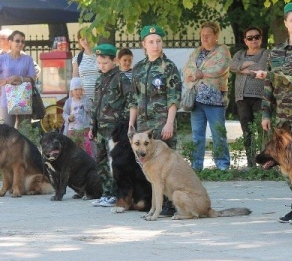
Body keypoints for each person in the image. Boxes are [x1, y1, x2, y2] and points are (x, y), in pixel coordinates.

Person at [128, 25, 182, 216]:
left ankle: (169, 204)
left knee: (166, 167)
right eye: (151, 42)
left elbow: (174, 98)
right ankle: (154, 204)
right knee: (149, 168)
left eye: (158, 41)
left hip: (162, 124)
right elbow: (133, 99)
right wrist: (131, 125)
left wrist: (169, 122)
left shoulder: (169, 67)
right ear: (144, 44)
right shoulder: (139, 68)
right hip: (143, 127)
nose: (155, 45)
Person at [258, 2, 292, 225]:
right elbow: (268, 87)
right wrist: (266, 114)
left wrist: (276, 77)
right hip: (284, 118)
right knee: (287, 162)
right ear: (285, 23)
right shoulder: (275, 52)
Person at [183, 21, 231, 171]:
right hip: (196, 100)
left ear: (216, 35)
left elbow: (220, 68)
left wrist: (200, 73)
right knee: (197, 135)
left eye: (208, 35)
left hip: (215, 100)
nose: (204, 38)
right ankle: (196, 167)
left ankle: (222, 166)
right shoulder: (196, 52)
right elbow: (187, 69)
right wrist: (194, 74)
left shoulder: (222, 51)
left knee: (218, 134)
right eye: (202, 35)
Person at [88, 44, 131, 207]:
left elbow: (130, 100)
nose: (101, 66)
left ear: (114, 60)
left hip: (114, 129)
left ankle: (115, 194)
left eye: (104, 63)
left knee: (114, 162)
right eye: (99, 63)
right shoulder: (100, 79)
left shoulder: (120, 78)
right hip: (100, 129)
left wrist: (123, 122)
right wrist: (92, 126)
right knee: (100, 161)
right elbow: (95, 105)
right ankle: (106, 193)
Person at [230, 27, 270, 168]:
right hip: (241, 97)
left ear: (261, 38)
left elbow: (260, 67)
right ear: (245, 40)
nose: (254, 40)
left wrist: (242, 69)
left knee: (262, 130)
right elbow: (232, 66)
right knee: (246, 129)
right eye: (250, 38)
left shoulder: (265, 52)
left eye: (256, 37)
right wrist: (248, 66)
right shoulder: (239, 53)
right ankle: (251, 163)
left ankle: (264, 162)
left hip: (259, 96)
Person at [0, 30, 36, 128]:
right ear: (10, 42)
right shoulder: (2, 59)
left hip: (24, 99)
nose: (20, 43)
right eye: (17, 41)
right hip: (6, 100)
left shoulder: (28, 59)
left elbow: (33, 79)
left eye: (22, 41)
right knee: (7, 131)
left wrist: (17, 78)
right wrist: (7, 81)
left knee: (25, 131)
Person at [62, 77, 93, 157]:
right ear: (71, 91)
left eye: (80, 89)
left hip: (84, 129)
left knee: (86, 148)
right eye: (76, 89)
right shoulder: (69, 102)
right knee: (72, 149)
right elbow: (64, 113)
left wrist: (83, 99)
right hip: (72, 130)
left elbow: (89, 109)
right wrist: (68, 118)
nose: (78, 91)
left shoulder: (86, 99)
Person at [72, 29, 100, 102]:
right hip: (83, 99)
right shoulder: (77, 58)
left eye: (88, 38)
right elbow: (75, 80)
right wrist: (71, 99)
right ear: (79, 41)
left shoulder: (100, 55)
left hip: (99, 98)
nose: (86, 41)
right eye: (83, 39)